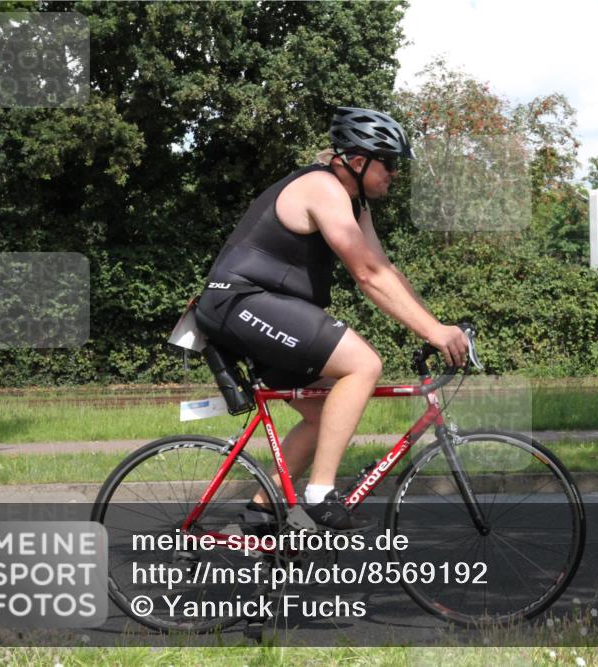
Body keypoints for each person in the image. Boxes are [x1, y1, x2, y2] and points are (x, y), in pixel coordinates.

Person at [194, 106, 470, 532]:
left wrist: (439, 326)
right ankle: (319, 495)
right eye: (390, 163)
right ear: (358, 161)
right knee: (363, 364)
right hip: (239, 303)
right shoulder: (322, 188)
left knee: (323, 415)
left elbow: (384, 270)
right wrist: (433, 333)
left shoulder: (353, 202)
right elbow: (365, 275)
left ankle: (259, 514)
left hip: (259, 307)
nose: (395, 174)